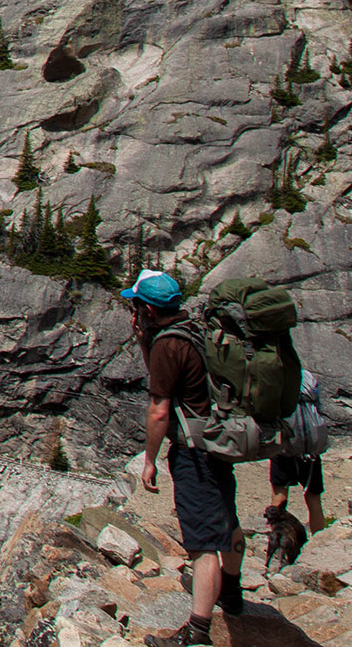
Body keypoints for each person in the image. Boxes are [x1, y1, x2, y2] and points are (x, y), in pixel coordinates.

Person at [123, 268, 245, 647]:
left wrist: (149, 460)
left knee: (202, 544)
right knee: (226, 516)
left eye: (136, 305)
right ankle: (233, 592)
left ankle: (197, 634)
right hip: (219, 442)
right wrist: (145, 341)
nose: (134, 311)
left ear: (146, 309)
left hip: (194, 453)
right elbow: (172, 378)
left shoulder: (168, 345)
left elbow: (160, 408)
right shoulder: (194, 330)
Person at [269, 368, 327, 532]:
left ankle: (277, 542)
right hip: (311, 445)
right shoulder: (307, 376)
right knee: (313, 498)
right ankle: (319, 545)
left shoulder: (275, 376)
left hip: (285, 445)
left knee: (279, 497)